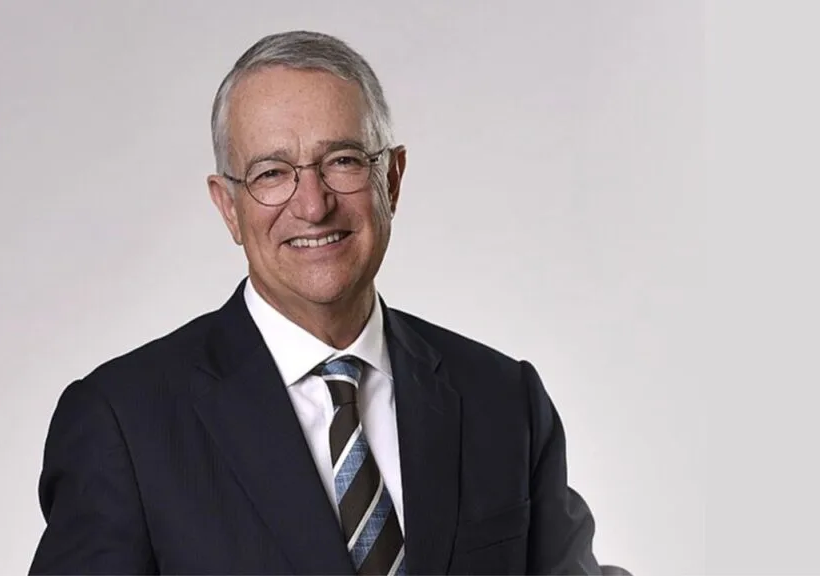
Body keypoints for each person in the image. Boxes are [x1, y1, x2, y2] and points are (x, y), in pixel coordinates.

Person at [29, 30, 600, 575]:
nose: (312, 204)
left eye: (343, 160)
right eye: (271, 173)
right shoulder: (123, 424)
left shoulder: (504, 401)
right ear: (228, 207)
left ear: (391, 180)